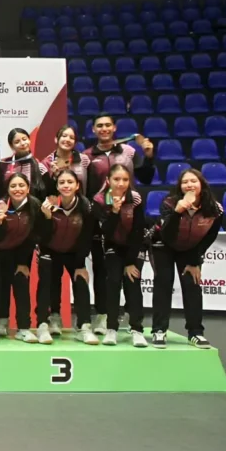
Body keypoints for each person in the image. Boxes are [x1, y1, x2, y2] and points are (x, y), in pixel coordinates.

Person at [83, 114, 155, 335]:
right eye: (99, 126)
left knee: (128, 273)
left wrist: (149, 156)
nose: (104, 129)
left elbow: (146, 178)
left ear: (114, 128)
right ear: (94, 130)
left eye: (108, 125)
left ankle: (129, 320)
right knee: (101, 270)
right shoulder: (87, 156)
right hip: (101, 219)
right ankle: (104, 315)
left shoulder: (129, 152)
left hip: (127, 219)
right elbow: (84, 189)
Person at [152, 168, 223, 349]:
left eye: (193, 181)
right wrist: (178, 211)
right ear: (180, 186)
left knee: (192, 287)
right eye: (185, 182)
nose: (189, 185)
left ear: (201, 184)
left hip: (190, 250)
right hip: (163, 246)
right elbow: (167, 234)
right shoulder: (168, 203)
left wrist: (195, 261)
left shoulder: (215, 209)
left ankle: (196, 333)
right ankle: (159, 331)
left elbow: (209, 237)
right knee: (163, 285)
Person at [36, 169, 98, 345]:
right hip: (50, 250)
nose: (66, 186)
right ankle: (45, 323)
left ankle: (84, 326)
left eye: (70, 182)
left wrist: (80, 263)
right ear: (57, 186)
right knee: (48, 281)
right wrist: (47, 218)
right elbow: (43, 237)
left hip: (74, 252)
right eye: (62, 182)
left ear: (77, 185)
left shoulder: (86, 207)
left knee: (80, 281)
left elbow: (86, 237)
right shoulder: (49, 205)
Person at [92, 164, 147, 347]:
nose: (121, 183)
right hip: (112, 246)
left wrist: (131, 262)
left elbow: (138, 230)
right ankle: (111, 328)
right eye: (116, 179)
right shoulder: (99, 200)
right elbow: (105, 231)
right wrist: (114, 212)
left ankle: (137, 329)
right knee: (113, 283)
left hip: (134, 246)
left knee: (133, 283)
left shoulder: (136, 198)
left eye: (125, 179)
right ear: (108, 180)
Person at [0, 173, 40, 344]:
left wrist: (23, 262)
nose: (18, 189)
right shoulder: (1, 205)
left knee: (21, 282)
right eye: (13, 186)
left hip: (17, 250)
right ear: (8, 190)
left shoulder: (34, 205)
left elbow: (33, 236)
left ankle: (24, 328)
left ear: (28, 188)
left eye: (21, 185)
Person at [0, 128, 47, 199]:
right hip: (9, 206)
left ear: (29, 140)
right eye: (17, 142)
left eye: (24, 139)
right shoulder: (4, 165)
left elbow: (46, 192)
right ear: (11, 146)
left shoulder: (39, 166)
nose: (22, 143)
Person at [42, 125, 90, 195]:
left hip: (81, 204)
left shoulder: (84, 160)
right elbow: (45, 193)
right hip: (56, 204)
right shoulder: (46, 163)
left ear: (75, 143)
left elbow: (90, 188)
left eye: (72, 138)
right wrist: (54, 177)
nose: (67, 139)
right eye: (64, 136)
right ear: (56, 139)